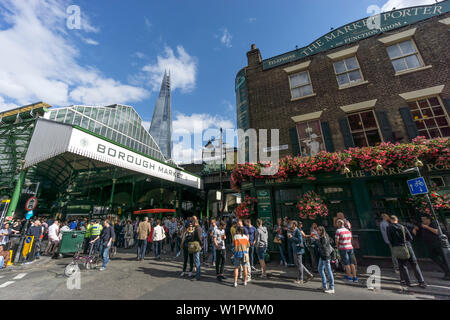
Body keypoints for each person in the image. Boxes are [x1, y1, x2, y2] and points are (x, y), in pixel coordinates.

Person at [388, 215, 427, 288]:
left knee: (403, 265)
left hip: (398, 248)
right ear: (397, 220)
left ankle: (408, 282)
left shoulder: (389, 228)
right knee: (414, 264)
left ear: (391, 220)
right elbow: (410, 238)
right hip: (407, 246)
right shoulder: (403, 227)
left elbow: (390, 239)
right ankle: (421, 281)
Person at [413, 215, 450, 281]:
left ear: (428, 219)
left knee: (444, 258)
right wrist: (415, 230)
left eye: (424, 219)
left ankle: (447, 273)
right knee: (432, 256)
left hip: (438, 245)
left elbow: (437, 232)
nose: (423, 221)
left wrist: (427, 227)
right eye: (422, 219)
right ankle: (446, 270)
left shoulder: (434, 224)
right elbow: (418, 234)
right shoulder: (423, 226)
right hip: (430, 246)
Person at [290, 221, 313, 285]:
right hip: (295, 249)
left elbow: (300, 240)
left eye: (291, 224)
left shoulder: (298, 231)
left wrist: (292, 237)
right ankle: (309, 274)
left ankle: (301, 279)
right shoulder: (294, 230)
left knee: (299, 264)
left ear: (294, 224)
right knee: (298, 263)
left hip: (298, 250)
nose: (290, 225)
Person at [315, 226, 335, 294]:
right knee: (320, 269)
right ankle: (324, 285)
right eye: (317, 230)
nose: (317, 231)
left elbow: (322, 246)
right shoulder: (323, 236)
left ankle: (332, 288)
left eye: (318, 230)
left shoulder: (323, 237)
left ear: (321, 231)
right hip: (322, 255)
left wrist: (316, 240)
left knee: (328, 271)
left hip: (326, 256)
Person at [192, 216, 203, 280]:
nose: (192, 223)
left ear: (195, 223)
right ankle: (197, 274)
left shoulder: (198, 228)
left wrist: (202, 244)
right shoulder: (196, 228)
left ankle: (198, 275)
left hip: (197, 245)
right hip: (196, 244)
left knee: (197, 260)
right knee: (196, 259)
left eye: (193, 222)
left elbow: (199, 238)